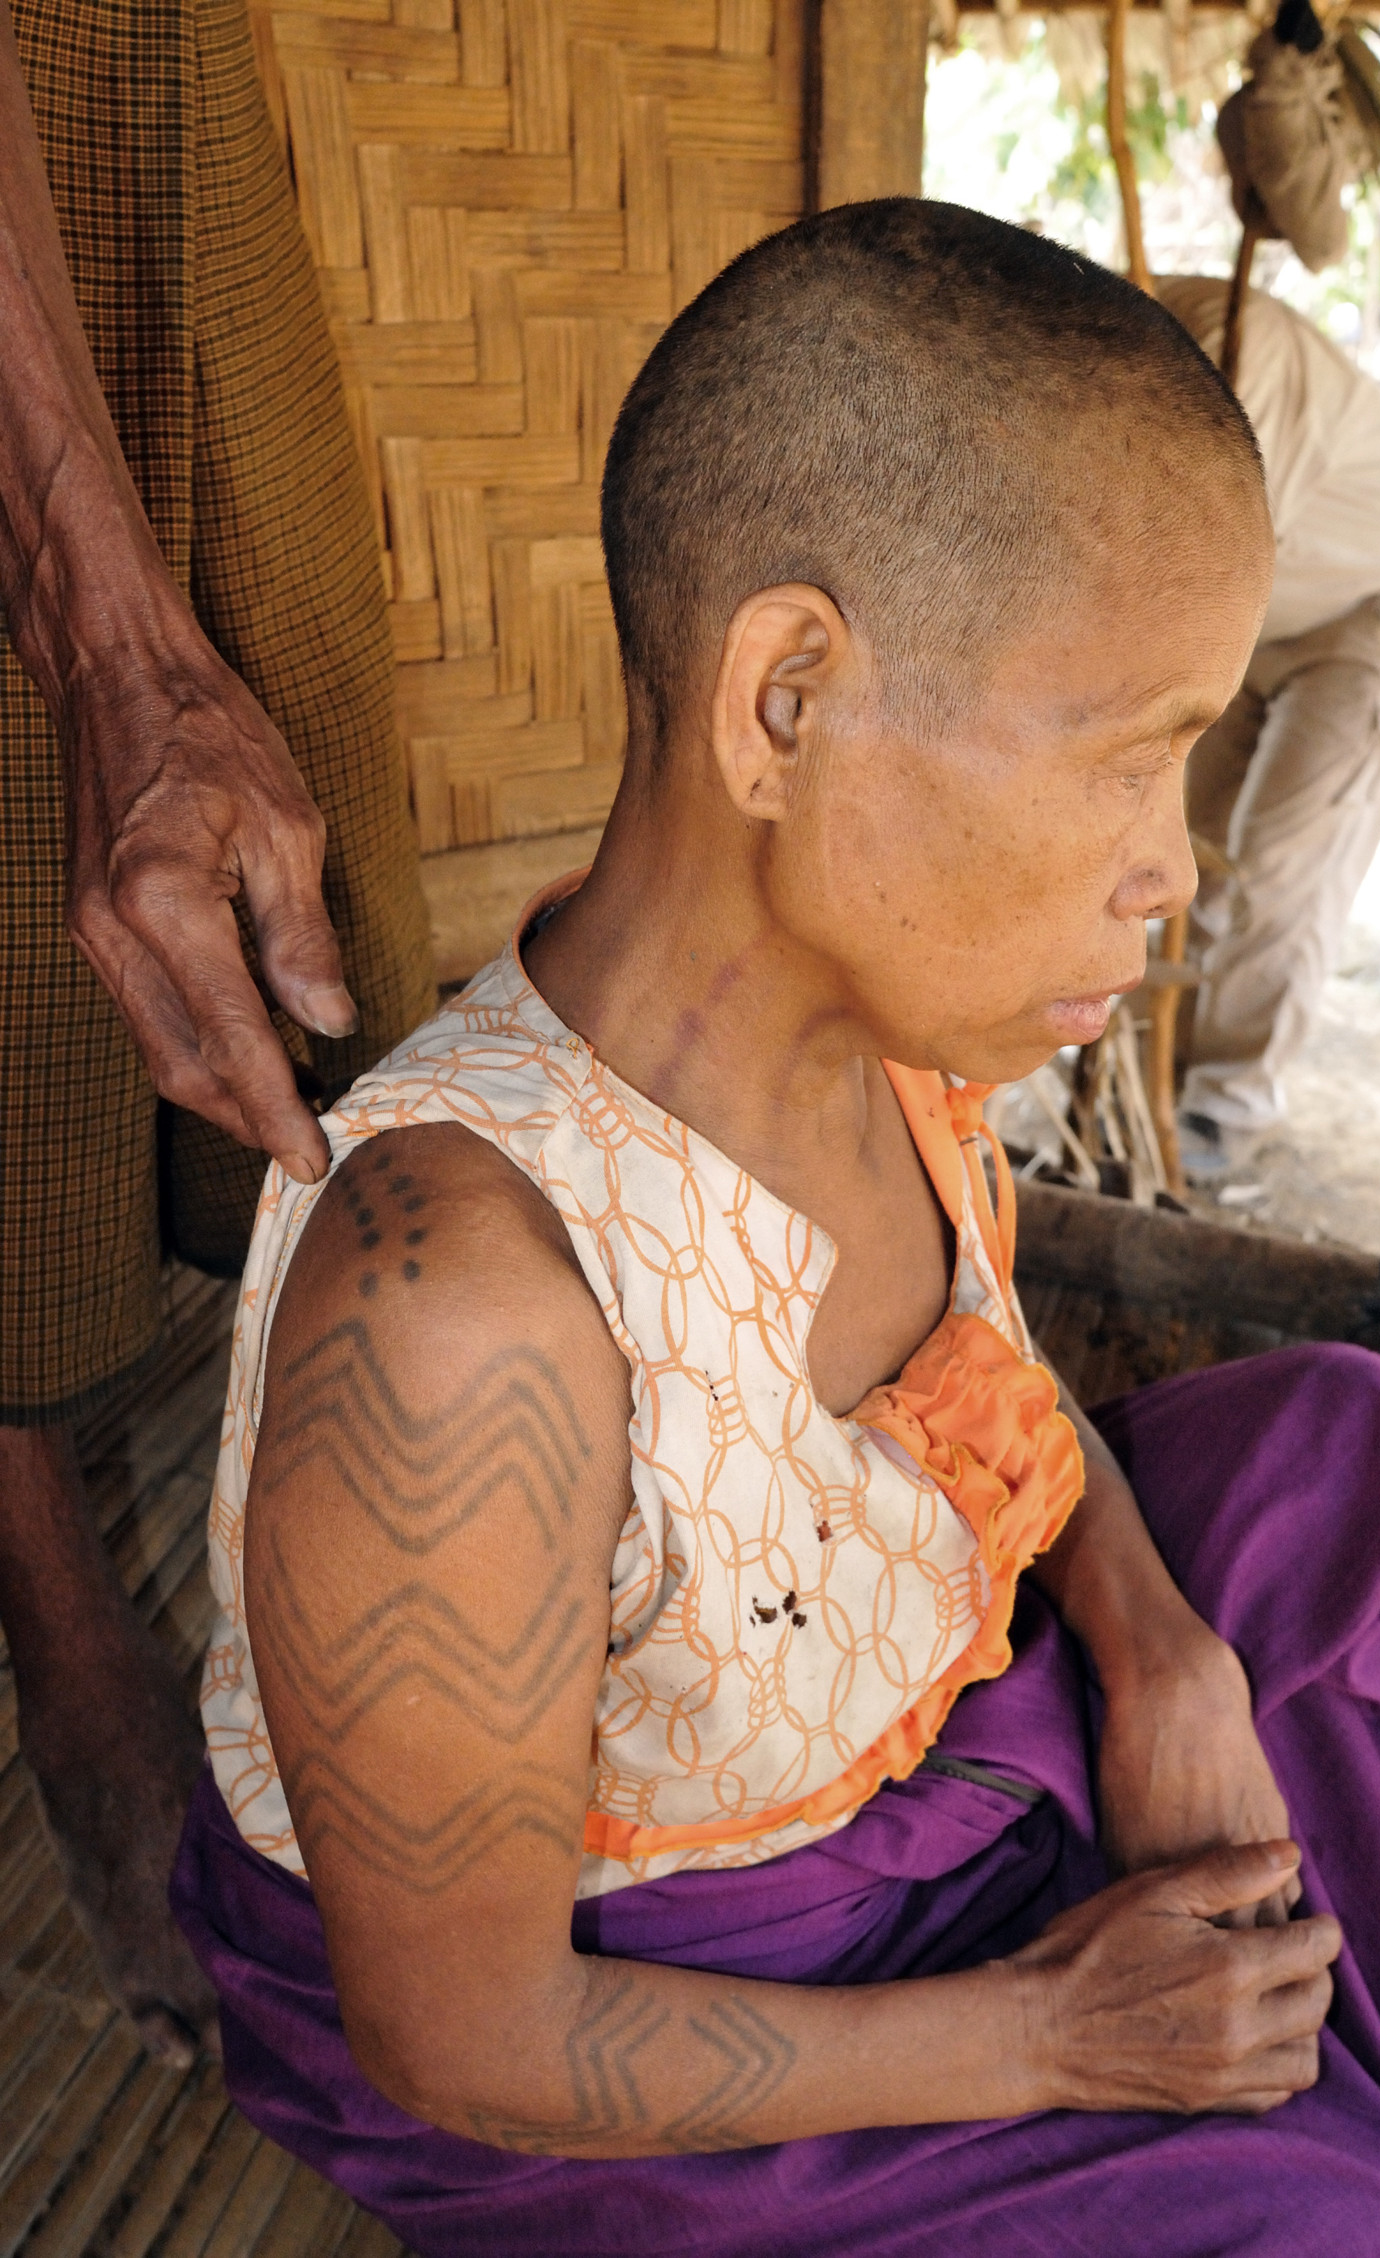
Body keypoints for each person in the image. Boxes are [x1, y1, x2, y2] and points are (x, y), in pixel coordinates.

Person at [173, 203, 1380, 2255]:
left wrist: (1154, 1656)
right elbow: (467, 2037)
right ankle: (1244, 2120)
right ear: (786, 699)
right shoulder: (458, 1306)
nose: (1173, 863)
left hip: (907, 1747)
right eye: (1136, 753)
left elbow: (996, 1386)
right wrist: (1052, 2035)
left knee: (1362, 1449)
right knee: (1346, 2227)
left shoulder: (895, 1048)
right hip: (654, 1979)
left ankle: (1247, 2082)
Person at [0, 0, 433, 2064]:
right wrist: (108, 631)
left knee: (298, 765)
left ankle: (360, 1556)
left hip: (134, 53)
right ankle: (61, 1613)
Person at [1154, 275, 1380, 1180]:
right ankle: (1161, 1075)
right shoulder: (1100, 362)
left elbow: (1209, 567)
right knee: (1190, 850)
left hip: (1369, 608)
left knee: (1278, 863)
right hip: (1256, 617)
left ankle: (1223, 1108)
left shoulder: (1237, 354)